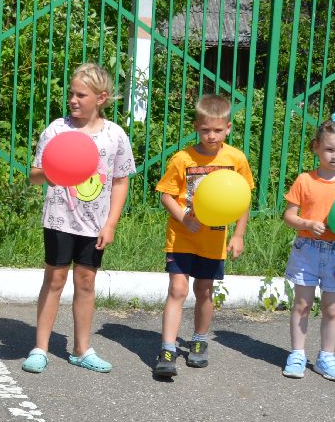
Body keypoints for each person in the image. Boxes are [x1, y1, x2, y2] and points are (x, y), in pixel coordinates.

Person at [22, 63, 136, 375]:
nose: (73, 100)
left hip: (95, 225)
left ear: (101, 98)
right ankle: (40, 347)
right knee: (55, 279)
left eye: (80, 95)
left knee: (86, 282)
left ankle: (81, 349)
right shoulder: (56, 130)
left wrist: (110, 223)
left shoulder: (115, 136)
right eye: (71, 93)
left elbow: (121, 181)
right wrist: (54, 170)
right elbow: (33, 176)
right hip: (59, 220)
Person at [153, 94, 253, 380]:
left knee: (204, 290)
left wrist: (239, 235)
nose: (211, 136)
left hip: (214, 240)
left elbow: (242, 198)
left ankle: (199, 339)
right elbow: (166, 195)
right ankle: (168, 348)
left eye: (218, 130)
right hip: (182, 236)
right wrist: (184, 217)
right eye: (205, 129)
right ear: (196, 126)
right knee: (178, 290)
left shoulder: (236, 159)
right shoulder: (183, 158)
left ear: (229, 128)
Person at [280, 114, 335, 381]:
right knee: (302, 303)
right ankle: (297, 354)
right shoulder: (305, 180)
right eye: (329, 149)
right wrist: (306, 222)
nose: (334, 156)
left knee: (332, 308)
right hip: (307, 250)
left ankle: (327, 356)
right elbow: (289, 216)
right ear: (316, 147)